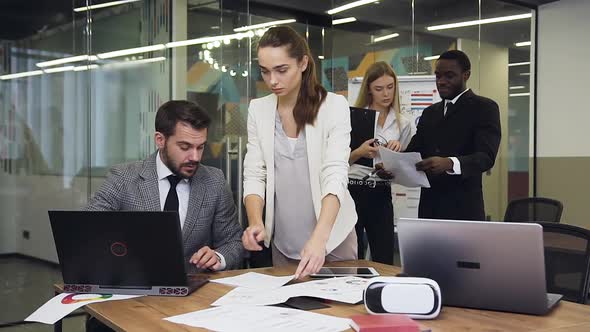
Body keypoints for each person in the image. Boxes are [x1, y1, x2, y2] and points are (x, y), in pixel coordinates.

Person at [241, 26, 358, 279]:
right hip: (284, 240)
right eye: (265, 71)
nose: (272, 80)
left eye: (281, 70)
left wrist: (319, 238)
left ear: (303, 63)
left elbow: (335, 174)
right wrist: (255, 221)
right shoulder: (258, 110)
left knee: (338, 312)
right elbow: (254, 174)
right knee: (288, 313)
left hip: (332, 237)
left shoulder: (333, 106)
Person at [85, 100, 244, 272]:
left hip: (195, 292)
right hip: (136, 287)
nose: (195, 157)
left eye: (200, 147)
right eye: (185, 147)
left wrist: (218, 257)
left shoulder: (215, 181)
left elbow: (233, 242)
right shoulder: (123, 178)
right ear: (160, 140)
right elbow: (88, 231)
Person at [406, 50, 501, 220]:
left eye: (449, 76)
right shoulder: (429, 113)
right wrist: (391, 165)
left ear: (466, 75)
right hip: (429, 209)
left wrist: (449, 163)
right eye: (438, 76)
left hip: (463, 210)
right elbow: (414, 151)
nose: (441, 82)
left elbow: (485, 157)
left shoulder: (484, 108)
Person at [349, 61, 414, 264]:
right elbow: (336, 162)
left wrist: (397, 155)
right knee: (352, 254)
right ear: (368, 89)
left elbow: (405, 168)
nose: (386, 94)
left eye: (390, 87)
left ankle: (381, 295)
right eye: (379, 89)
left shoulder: (404, 123)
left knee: (384, 255)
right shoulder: (353, 118)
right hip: (353, 191)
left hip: (381, 192)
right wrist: (359, 152)